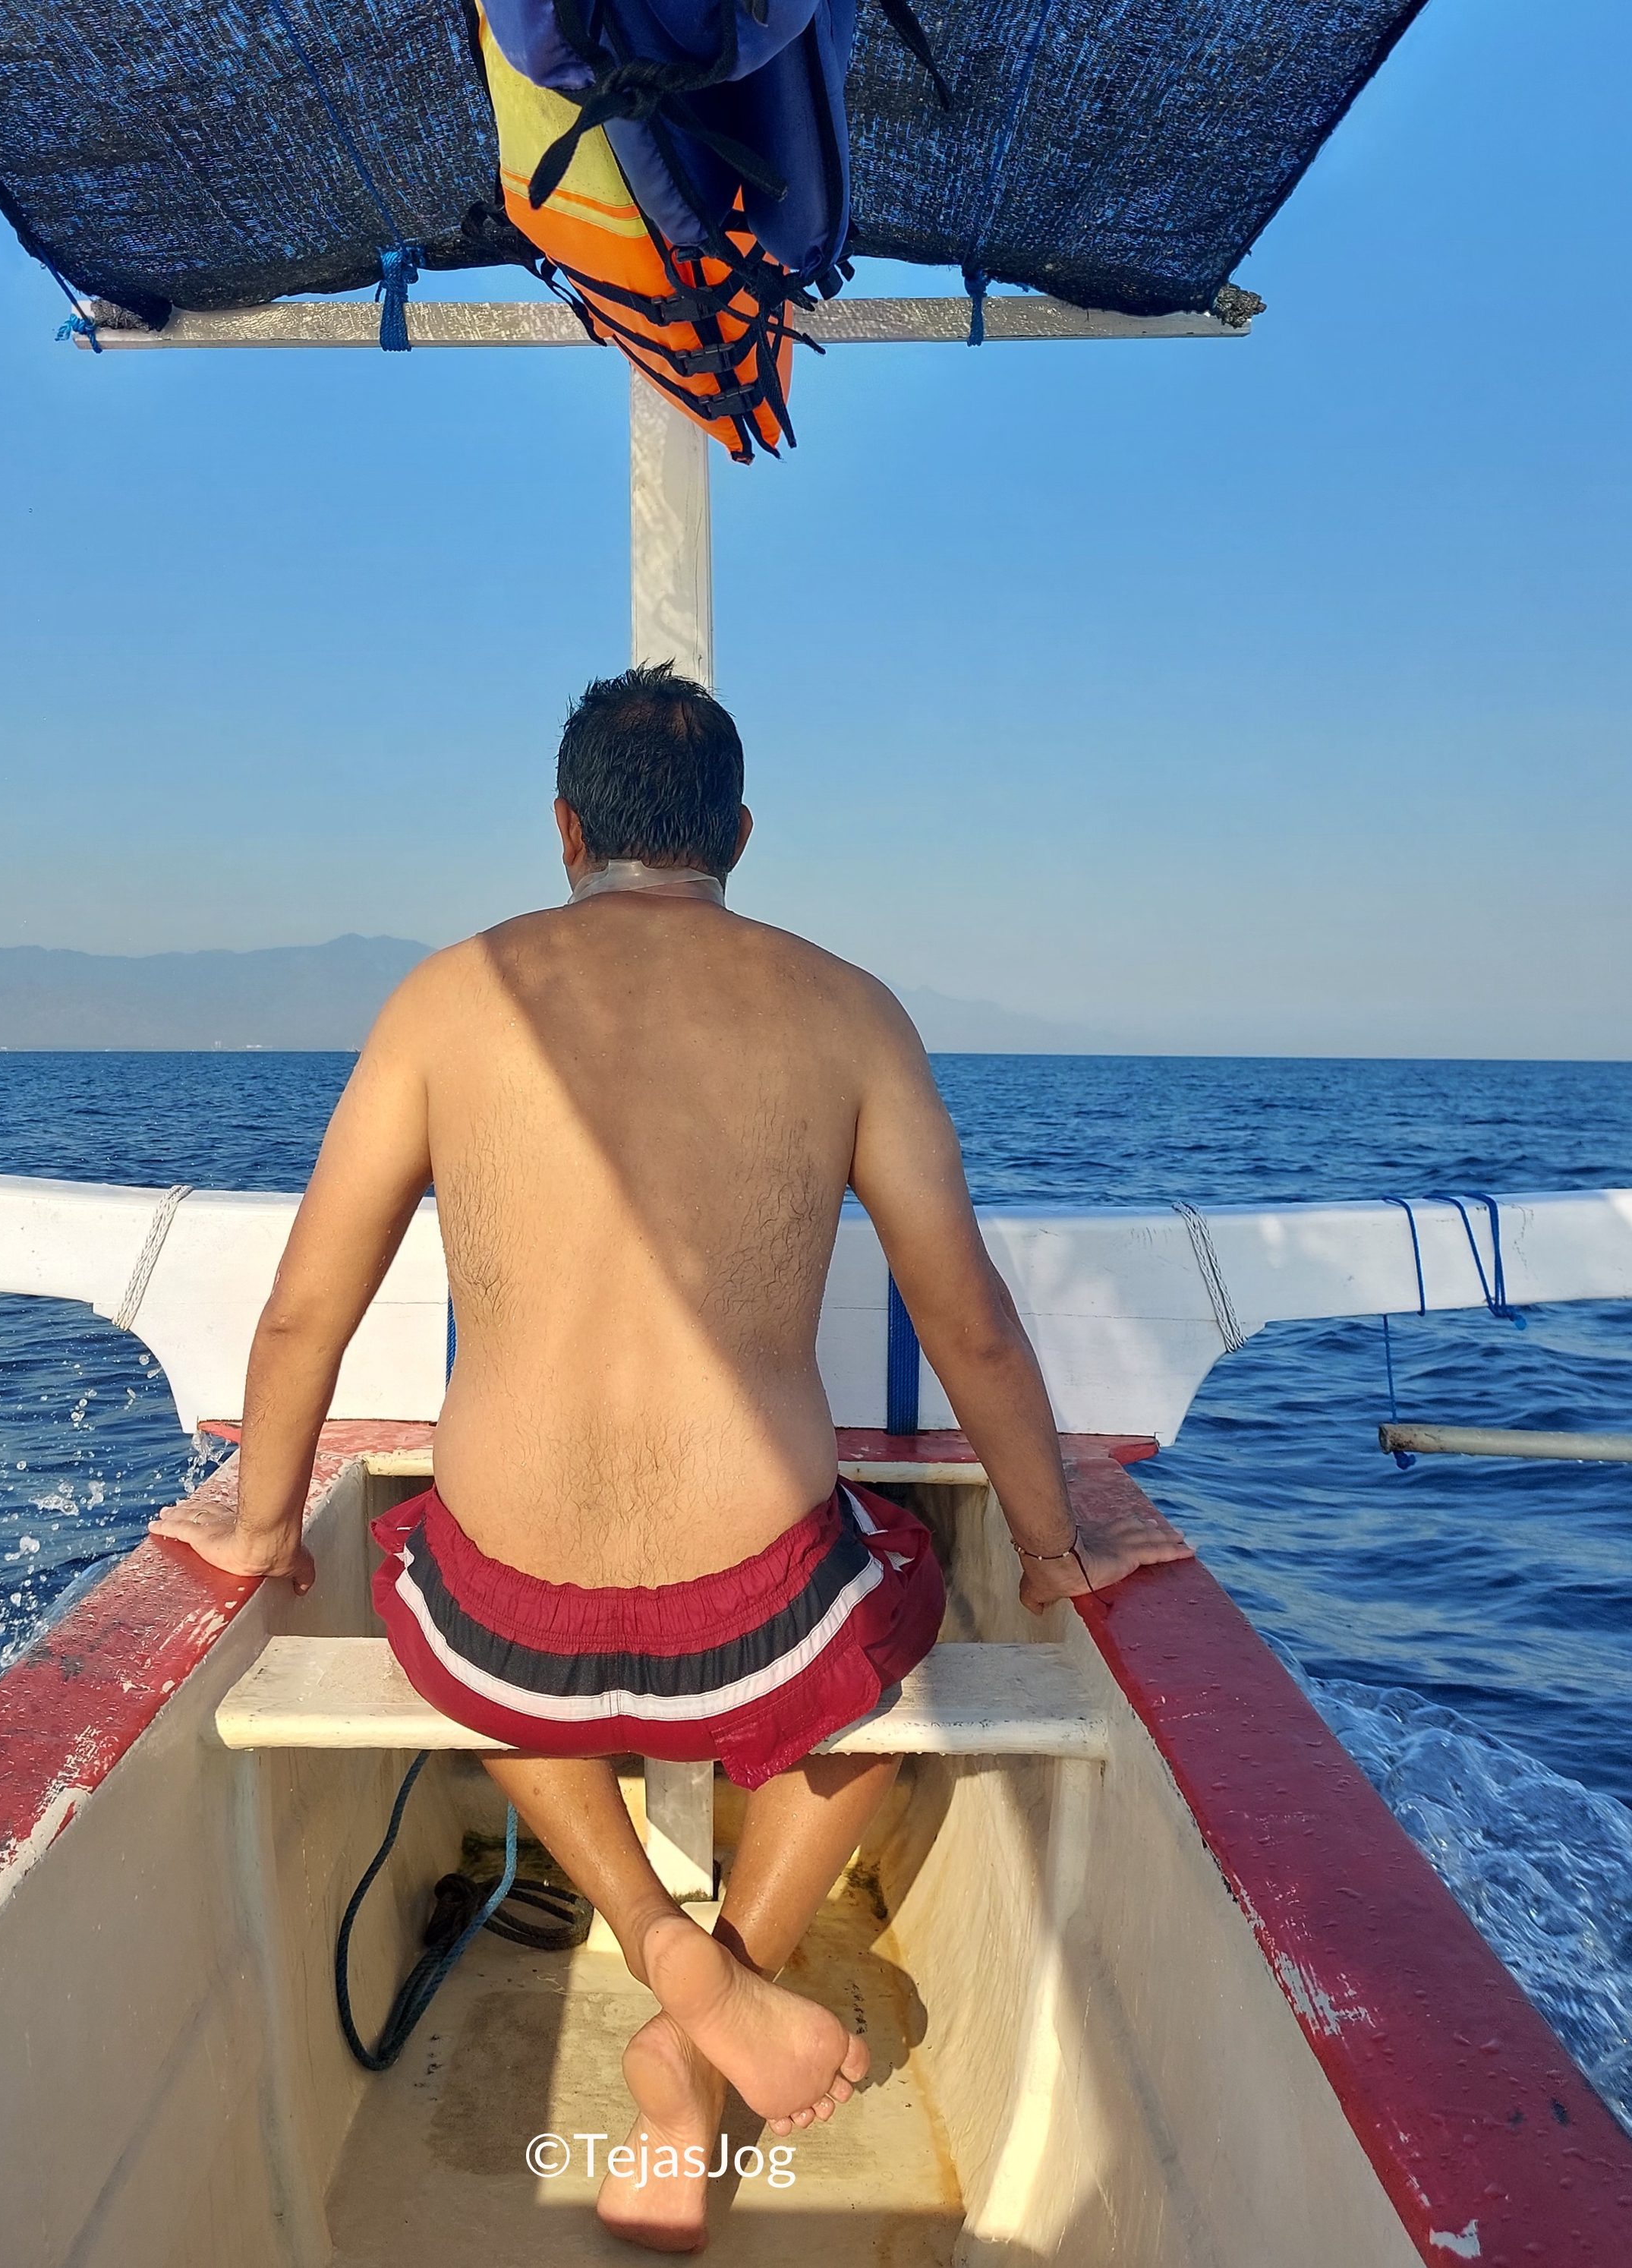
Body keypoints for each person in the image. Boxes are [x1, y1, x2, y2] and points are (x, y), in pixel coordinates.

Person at [152, 665, 1192, 2252]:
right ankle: (712, 2005)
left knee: (432, 1589)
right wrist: (1055, 1548)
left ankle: (657, 1942)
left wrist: (260, 1521)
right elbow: (969, 1325)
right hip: (764, 1619)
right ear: (741, 836)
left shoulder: (445, 999)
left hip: (505, 1625)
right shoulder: (847, 1009)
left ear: (565, 829)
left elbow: (306, 1311)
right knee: (898, 1633)